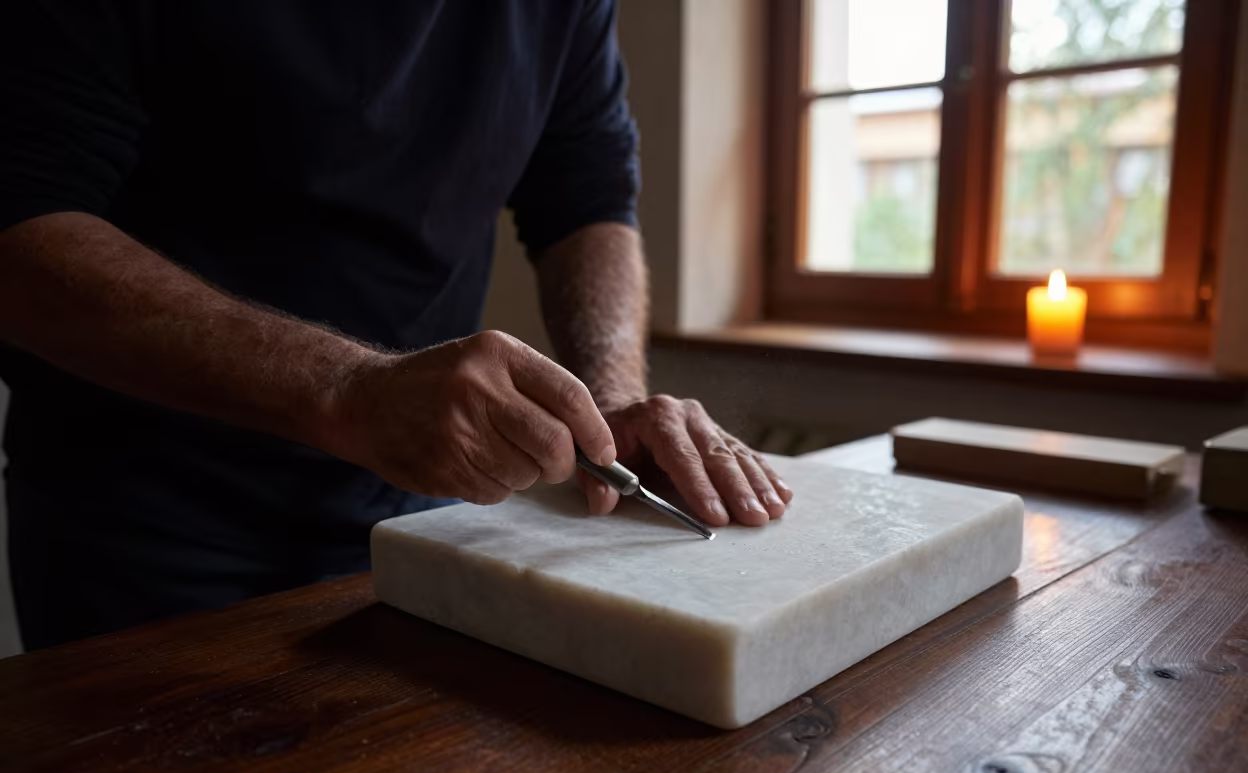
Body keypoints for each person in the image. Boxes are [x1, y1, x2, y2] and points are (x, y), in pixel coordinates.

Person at [0, 0, 793, 651]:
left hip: (414, 511)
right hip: (143, 520)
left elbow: (586, 201)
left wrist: (614, 396)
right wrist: (347, 389)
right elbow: (20, 229)